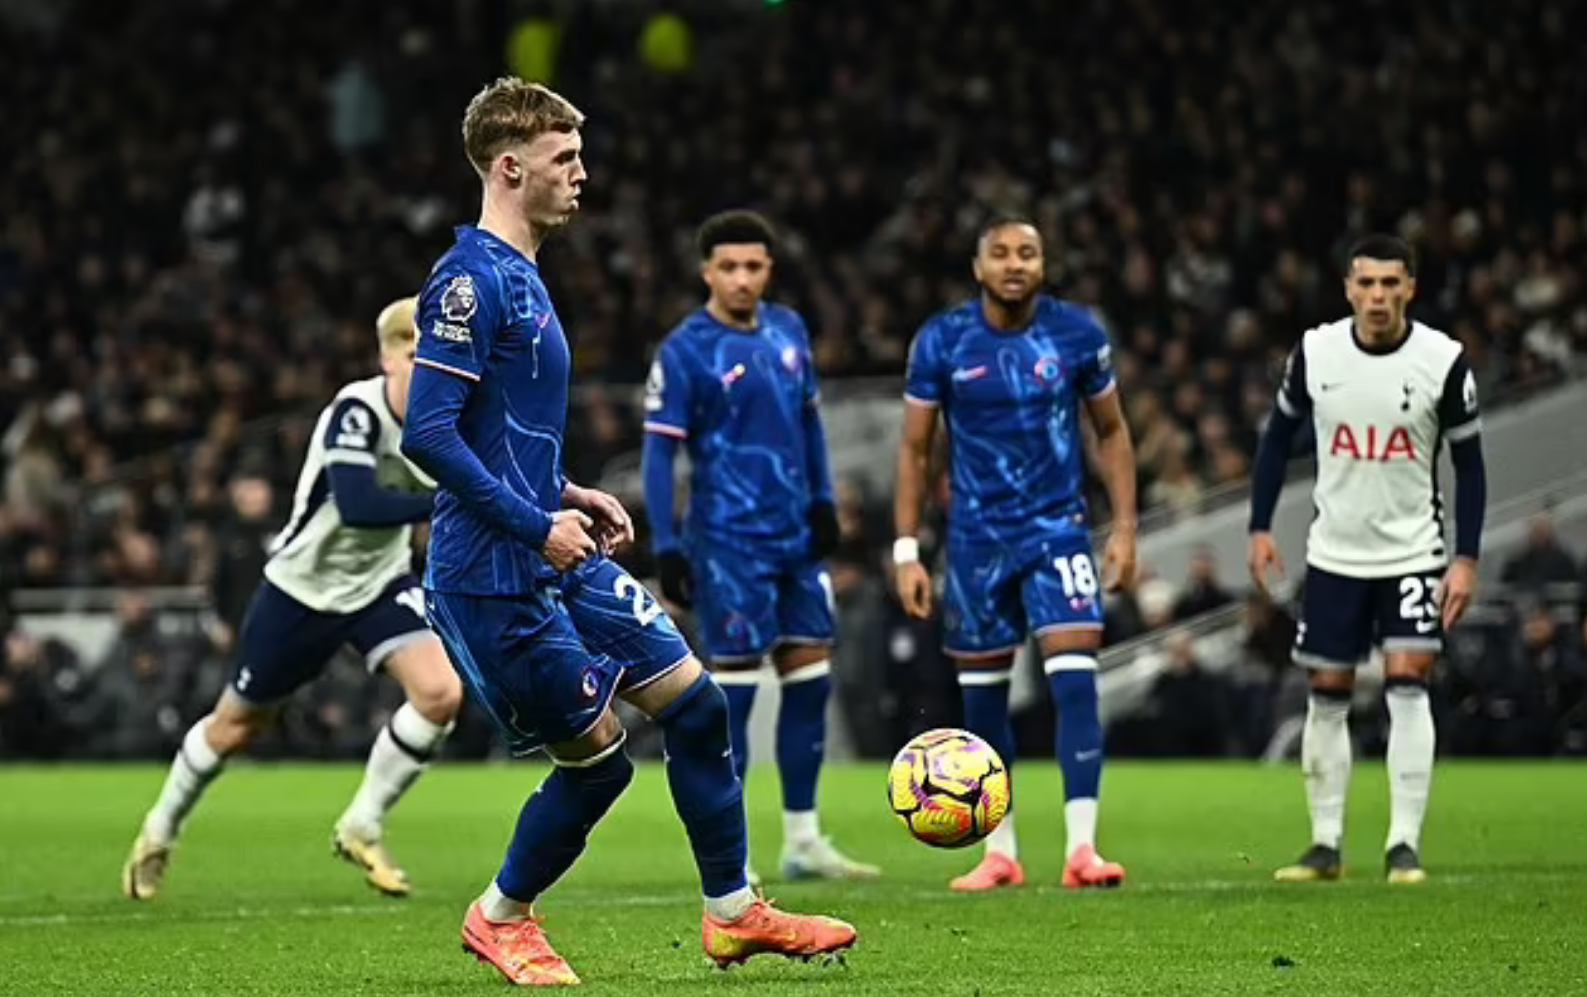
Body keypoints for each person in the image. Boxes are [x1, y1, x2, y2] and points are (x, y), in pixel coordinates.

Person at [399, 77, 854, 987]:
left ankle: (733, 912)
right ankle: (500, 916)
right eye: (564, 158)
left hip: (549, 549)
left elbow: (498, 430)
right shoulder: (468, 280)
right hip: (492, 573)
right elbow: (429, 434)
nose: (582, 174)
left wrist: (569, 492)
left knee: (698, 705)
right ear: (509, 167)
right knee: (600, 765)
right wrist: (538, 523)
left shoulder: (523, 275)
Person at [121, 297, 461, 900]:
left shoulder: (450, 422)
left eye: (436, 356)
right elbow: (358, 505)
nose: (427, 367)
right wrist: (453, 499)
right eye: (414, 355)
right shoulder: (356, 412)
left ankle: (362, 825)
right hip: (302, 588)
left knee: (441, 693)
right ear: (387, 359)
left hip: (379, 583)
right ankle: (159, 830)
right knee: (236, 726)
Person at [893, 217, 1139, 892]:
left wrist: (1123, 529)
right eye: (999, 253)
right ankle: (999, 852)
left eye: (1026, 253)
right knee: (984, 699)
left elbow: (1112, 431)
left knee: (1075, 680)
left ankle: (1082, 849)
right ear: (978, 267)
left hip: (1058, 531)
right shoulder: (942, 339)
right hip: (975, 541)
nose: (1013, 264)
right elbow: (914, 448)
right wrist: (907, 549)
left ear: (1043, 264)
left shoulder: (1077, 333)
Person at [642, 209, 879, 886]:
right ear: (707, 272)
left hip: (794, 538)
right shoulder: (685, 350)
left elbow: (810, 424)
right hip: (727, 542)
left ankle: (803, 839)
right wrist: (667, 544)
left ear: (769, 269)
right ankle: (733, 852)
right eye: (729, 267)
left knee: (809, 678)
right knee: (735, 696)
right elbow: (659, 453)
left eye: (753, 266)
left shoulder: (788, 329)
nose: (741, 278)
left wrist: (824, 501)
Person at [1248, 233, 1487, 884]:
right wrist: (1259, 525)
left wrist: (1465, 558)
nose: (1377, 296)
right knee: (1326, 694)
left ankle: (1402, 844)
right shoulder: (1316, 352)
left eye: (1390, 283)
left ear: (1410, 287)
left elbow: (1469, 464)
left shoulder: (1441, 361)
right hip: (1335, 553)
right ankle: (1324, 844)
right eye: (1366, 283)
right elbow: (1276, 439)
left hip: (1412, 551)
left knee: (1407, 683)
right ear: (1348, 288)